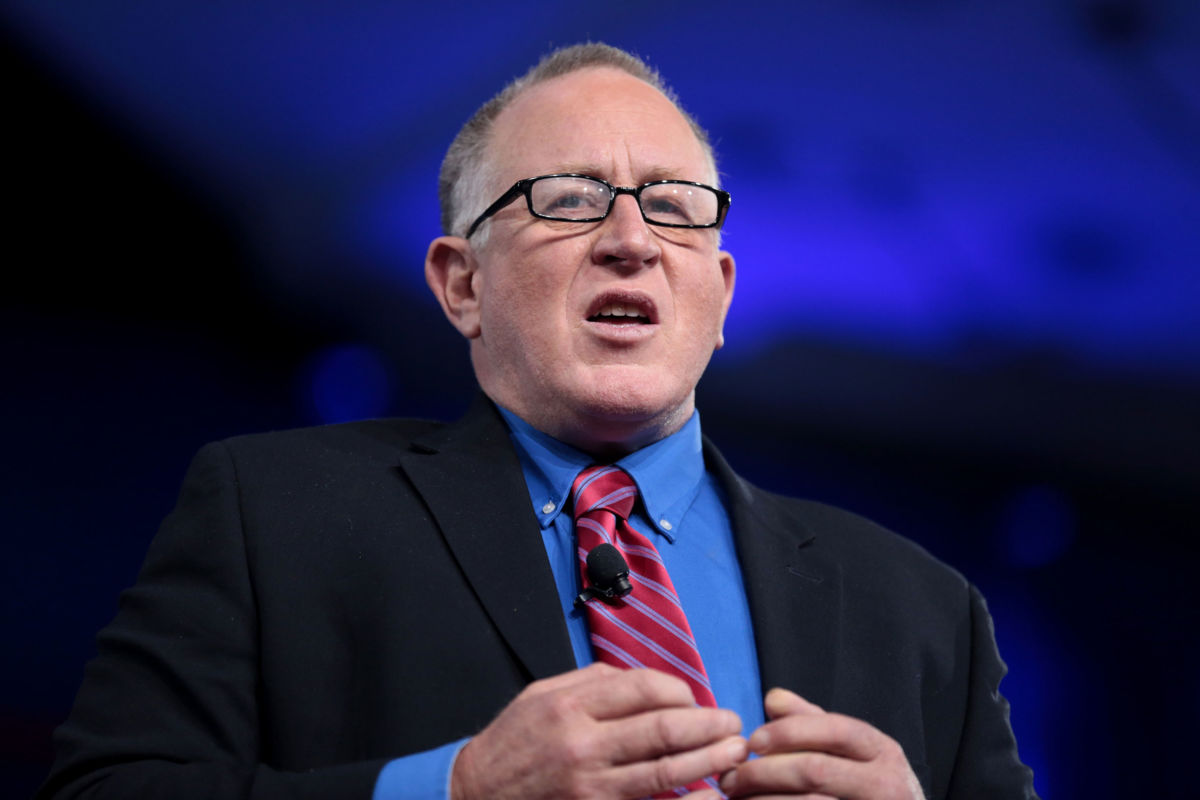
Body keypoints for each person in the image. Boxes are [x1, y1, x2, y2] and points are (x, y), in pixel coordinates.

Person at [39, 43, 1036, 800]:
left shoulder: (924, 609)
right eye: (569, 199)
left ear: (721, 294)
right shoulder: (274, 512)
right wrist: (455, 785)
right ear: (461, 284)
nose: (633, 239)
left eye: (677, 206)